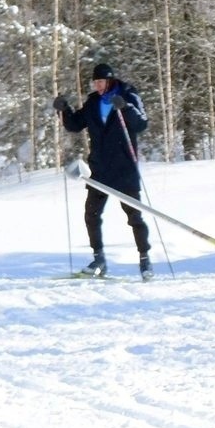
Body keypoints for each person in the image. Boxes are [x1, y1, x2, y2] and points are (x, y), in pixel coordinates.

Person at [53, 62, 152, 278]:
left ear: (110, 80)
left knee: (134, 217)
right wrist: (64, 110)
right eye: (95, 82)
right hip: (100, 169)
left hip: (124, 169)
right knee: (92, 215)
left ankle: (145, 260)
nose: (98, 86)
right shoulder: (93, 102)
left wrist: (124, 107)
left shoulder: (128, 94)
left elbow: (142, 124)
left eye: (101, 82)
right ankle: (99, 259)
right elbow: (75, 125)